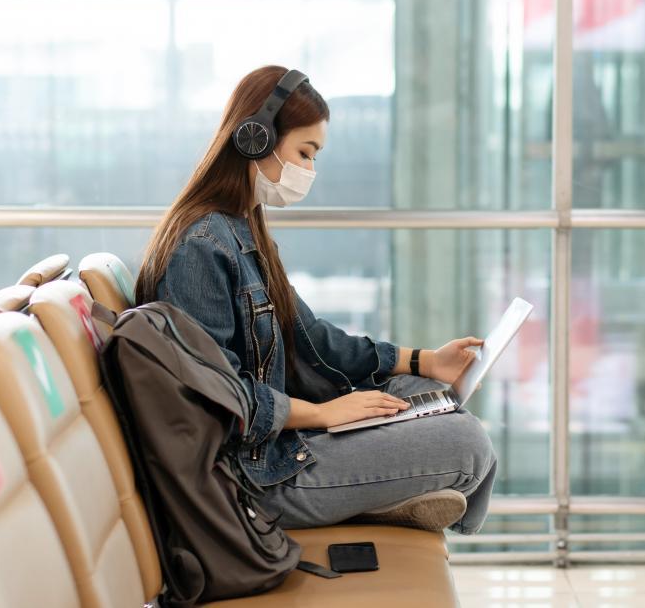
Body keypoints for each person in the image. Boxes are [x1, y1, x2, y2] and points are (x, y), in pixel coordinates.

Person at [134, 65, 498, 534]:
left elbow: (313, 339)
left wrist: (425, 361)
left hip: (276, 447)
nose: (309, 170)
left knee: (426, 396)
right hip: (253, 480)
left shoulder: (243, 230)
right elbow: (216, 399)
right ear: (255, 139)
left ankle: (381, 493)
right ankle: (385, 498)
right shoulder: (201, 248)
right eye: (305, 153)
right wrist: (324, 414)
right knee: (465, 440)